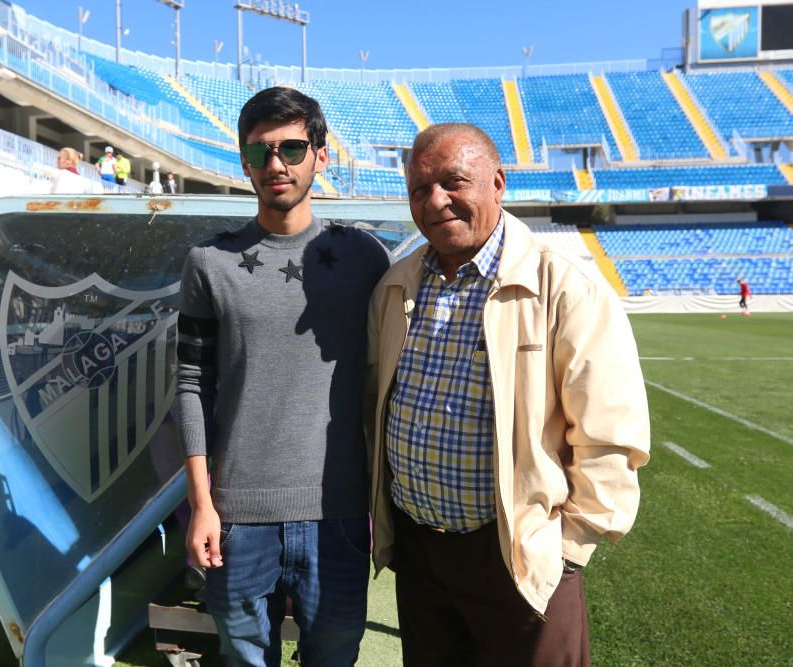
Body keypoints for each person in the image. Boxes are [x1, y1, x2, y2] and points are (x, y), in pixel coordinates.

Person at [365, 123, 651, 666]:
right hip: (420, 554)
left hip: (520, 556)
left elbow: (610, 437)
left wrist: (565, 552)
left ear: (498, 183)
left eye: (454, 182)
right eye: (420, 189)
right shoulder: (396, 284)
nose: (436, 201)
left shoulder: (566, 288)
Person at [176, 86, 390, 666]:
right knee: (244, 658)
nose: (276, 165)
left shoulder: (366, 258)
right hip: (238, 515)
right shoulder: (209, 263)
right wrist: (202, 503)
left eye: (292, 149)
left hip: (340, 513)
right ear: (243, 161)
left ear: (321, 155)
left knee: (334, 656)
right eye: (259, 153)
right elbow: (192, 385)